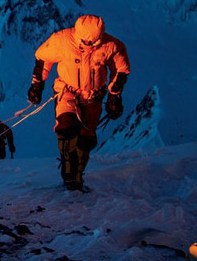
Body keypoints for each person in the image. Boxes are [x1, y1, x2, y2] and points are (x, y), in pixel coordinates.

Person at [27, 14, 130, 190]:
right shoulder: (62, 40)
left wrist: (114, 95)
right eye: (85, 42)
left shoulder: (111, 46)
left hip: (93, 96)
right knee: (66, 127)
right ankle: (69, 171)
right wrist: (37, 85)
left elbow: (121, 69)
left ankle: (77, 173)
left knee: (86, 139)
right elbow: (43, 58)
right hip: (67, 90)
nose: (88, 45)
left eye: (93, 42)